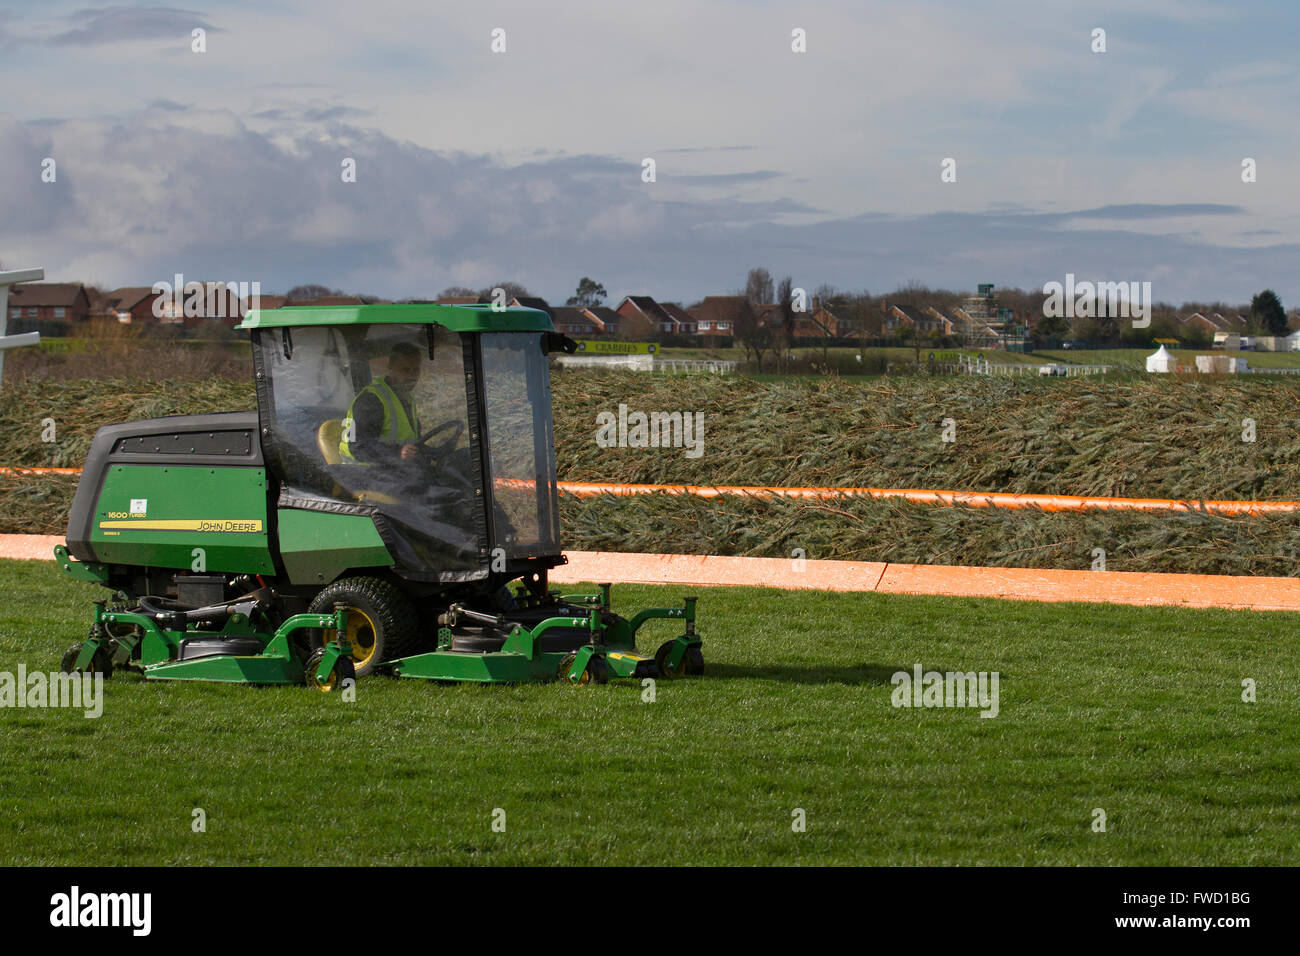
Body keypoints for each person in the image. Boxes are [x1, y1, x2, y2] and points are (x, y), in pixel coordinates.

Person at [339, 342, 423, 465]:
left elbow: (412, 440)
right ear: (391, 369)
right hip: (363, 474)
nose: (411, 376)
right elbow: (358, 446)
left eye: (415, 370)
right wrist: (397, 453)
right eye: (405, 370)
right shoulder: (372, 400)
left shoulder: (405, 396)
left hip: (393, 468)